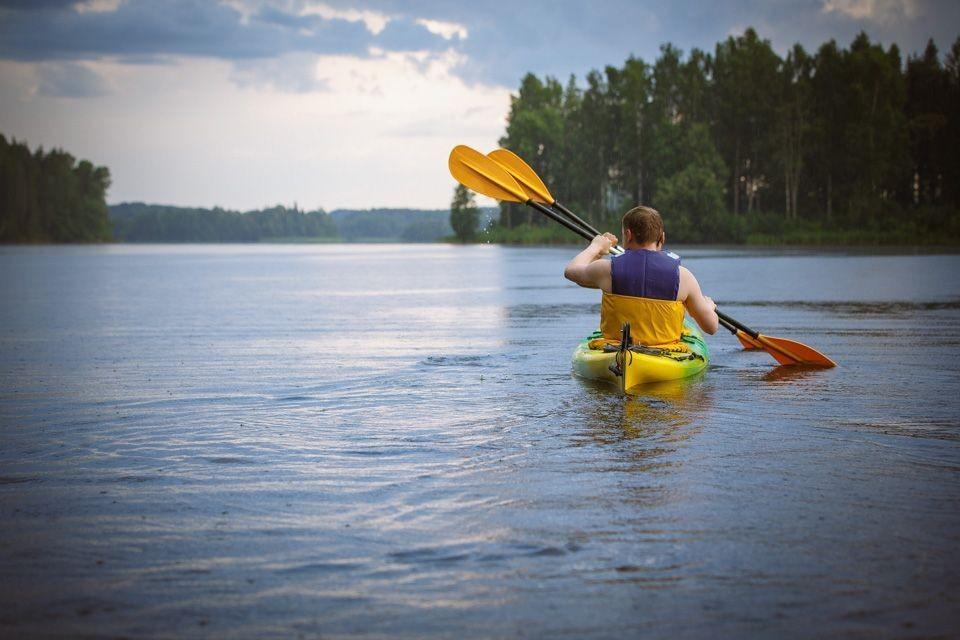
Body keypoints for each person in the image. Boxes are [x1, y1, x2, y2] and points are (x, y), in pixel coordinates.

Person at [564, 206, 718, 347]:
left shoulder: (606, 270)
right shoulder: (684, 276)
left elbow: (572, 271)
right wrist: (709, 307)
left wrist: (596, 247)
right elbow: (711, 327)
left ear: (628, 235)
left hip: (615, 348)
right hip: (662, 353)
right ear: (662, 238)